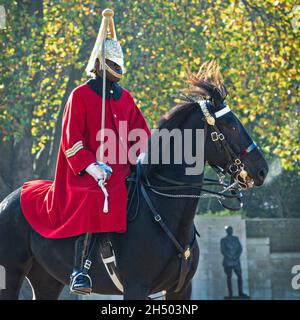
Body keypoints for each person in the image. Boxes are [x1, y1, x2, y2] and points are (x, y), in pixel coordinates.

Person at [20, 9, 150, 295]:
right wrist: (91, 166)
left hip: (122, 170)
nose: (118, 66)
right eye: (113, 61)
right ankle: (81, 270)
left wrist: (144, 156)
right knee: (94, 197)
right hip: (87, 173)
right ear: (101, 63)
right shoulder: (80, 94)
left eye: (120, 62)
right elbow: (71, 139)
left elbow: (140, 134)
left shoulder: (125, 97)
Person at [220, 226, 248, 299]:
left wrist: (236, 256)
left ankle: (240, 292)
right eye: (229, 230)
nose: (230, 231)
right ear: (227, 231)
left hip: (236, 261)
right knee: (229, 277)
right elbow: (223, 250)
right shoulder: (223, 240)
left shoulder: (236, 239)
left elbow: (240, 248)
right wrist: (230, 256)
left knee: (239, 276)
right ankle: (230, 294)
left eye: (231, 230)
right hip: (228, 261)